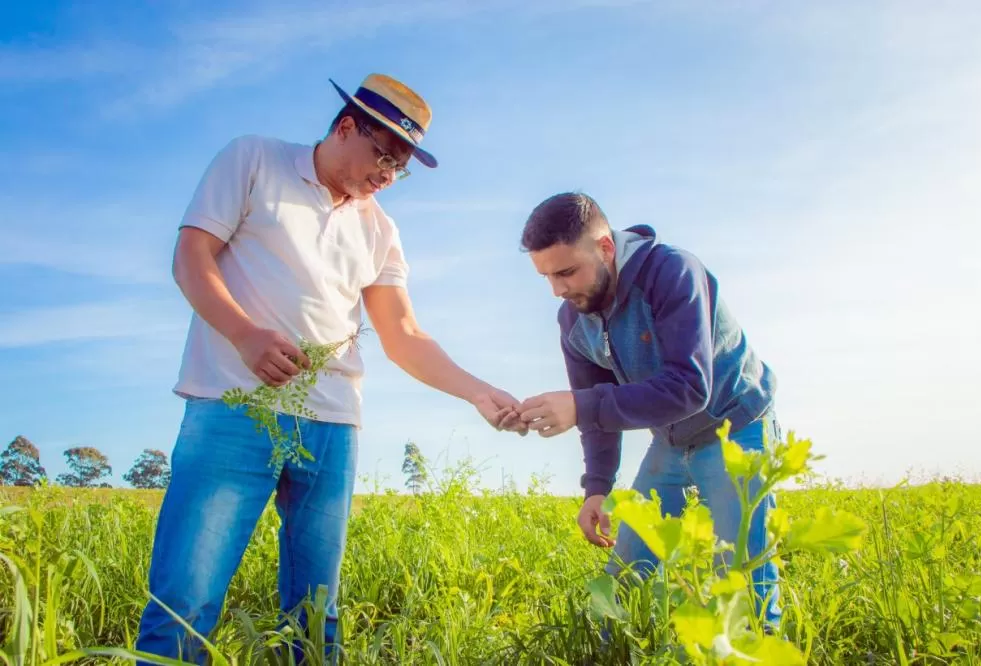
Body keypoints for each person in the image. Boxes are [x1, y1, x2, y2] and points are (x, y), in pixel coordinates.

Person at [135, 73, 524, 663]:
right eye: (383, 156)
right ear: (346, 127)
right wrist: (244, 334)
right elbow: (190, 257)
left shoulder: (380, 230)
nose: (389, 176)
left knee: (317, 612)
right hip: (233, 408)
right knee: (184, 601)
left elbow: (404, 334)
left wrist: (477, 392)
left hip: (332, 425)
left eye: (401, 167)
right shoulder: (254, 160)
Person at [508, 191, 782, 628]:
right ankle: (609, 652)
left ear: (605, 248)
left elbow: (690, 387)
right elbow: (595, 408)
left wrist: (580, 406)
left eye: (567, 272)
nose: (558, 290)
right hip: (670, 441)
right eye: (547, 277)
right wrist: (597, 487)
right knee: (624, 577)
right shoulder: (572, 317)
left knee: (741, 584)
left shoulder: (672, 272)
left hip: (736, 426)